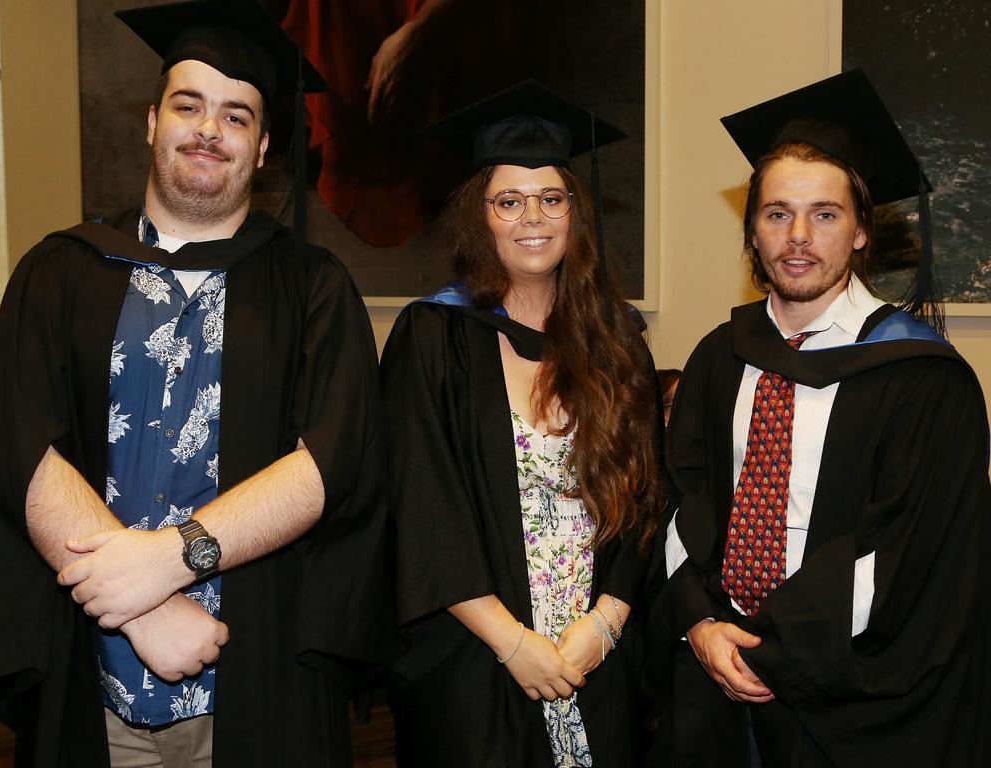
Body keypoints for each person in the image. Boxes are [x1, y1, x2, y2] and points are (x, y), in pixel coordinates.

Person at [0, 2, 390, 766]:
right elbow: (17, 442)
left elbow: (332, 458)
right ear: (152, 120)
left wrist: (170, 561)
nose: (208, 129)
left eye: (236, 116)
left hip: (256, 674)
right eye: (189, 105)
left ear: (261, 149)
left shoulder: (314, 289)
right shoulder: (59, 271)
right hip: (91, 672)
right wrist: (146, 611)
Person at [650, 70, 991, 766]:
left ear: (863, 230)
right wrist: (700, 625)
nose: (798, 237)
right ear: (750, 227)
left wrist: (772, 644)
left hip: (853, 697)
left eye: (825, 214)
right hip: (717, 680)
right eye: (777, 213)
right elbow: (682, 504)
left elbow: (916, 557)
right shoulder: (720, 358)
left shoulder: (924, 379)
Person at [381, 81, 666, 767]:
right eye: (508, 201)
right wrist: (513, 642)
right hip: (475, 665)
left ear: (576, 213)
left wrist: (606, 622)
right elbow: (422, 514)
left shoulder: (620, 342)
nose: (531, 217)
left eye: (551, 198)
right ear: (479, 216)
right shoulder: (433, 337)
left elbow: (650, 496)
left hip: (597, 661)